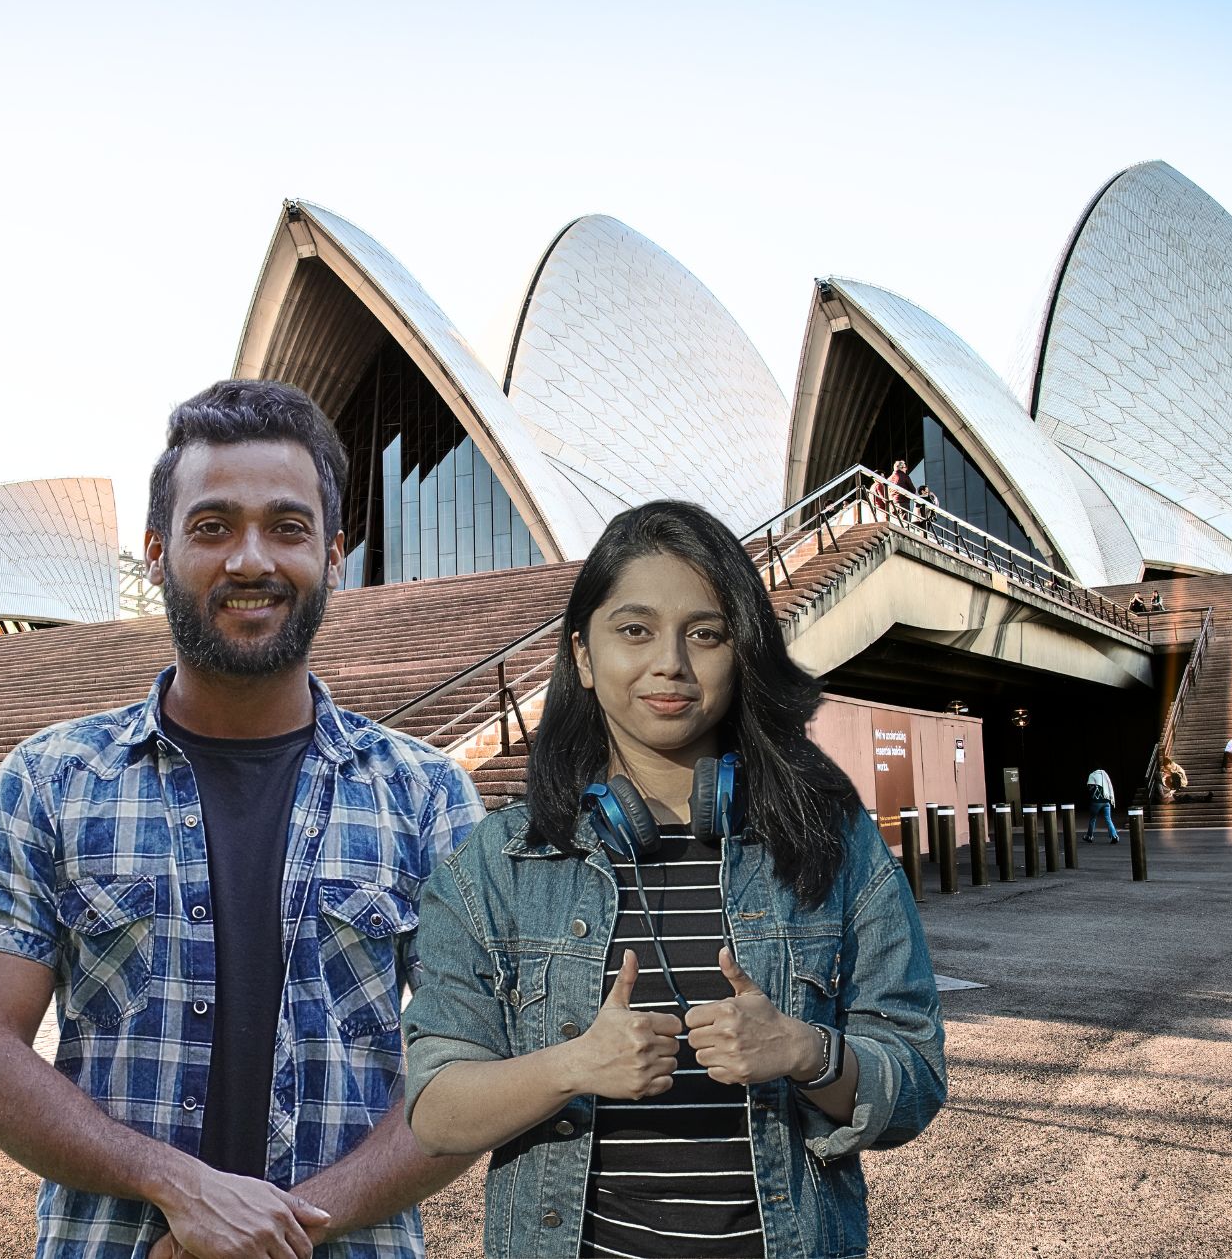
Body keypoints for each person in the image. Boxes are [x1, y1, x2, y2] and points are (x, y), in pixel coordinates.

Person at [0, 379, 484, 1259]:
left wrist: (278, 1228)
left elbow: (475, 1066)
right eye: (213, 526)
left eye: (287, 526)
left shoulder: (424, 798)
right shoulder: (51, 782)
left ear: (335, 553)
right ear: (156, 552)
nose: (250, 559)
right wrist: (175, 1185)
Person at [403, 500, 946, 1259]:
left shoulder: (833, 842)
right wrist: (573, 1066)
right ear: (583, 657)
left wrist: (806, 1052)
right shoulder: (499, 864)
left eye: (706, 633)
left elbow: (915, 1079)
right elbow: (434, 1111)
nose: (671, 664)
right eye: (635, 630)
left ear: (744, 652)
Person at [1083, 768, 1120, 843]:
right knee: (1108, 819)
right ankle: (1114, 836)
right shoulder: (1105, 775)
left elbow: (1090, 789)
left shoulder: (1092, 776)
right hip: (1106, 801)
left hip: (1096, 802)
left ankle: (1089, 836)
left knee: (1092, 819)